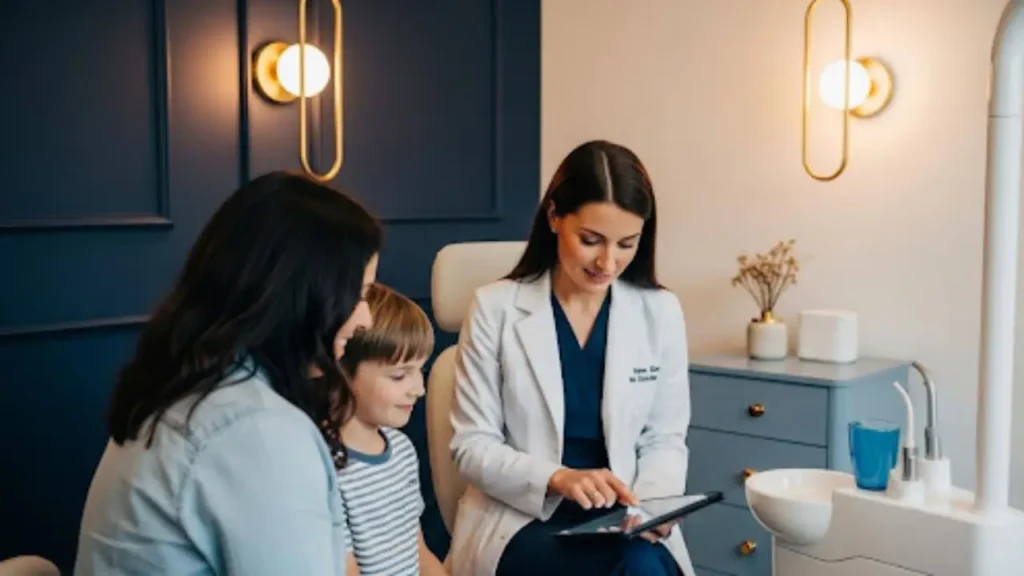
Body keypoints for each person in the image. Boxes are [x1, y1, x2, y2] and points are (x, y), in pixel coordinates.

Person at [74, 171, 381, 575]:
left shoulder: (188, 386)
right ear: (298, 295)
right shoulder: (256, 431)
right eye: (357, 295)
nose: (366, 320)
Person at [446, 140, 696, 576]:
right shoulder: (495, 308)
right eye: (591, 240)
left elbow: (664, 439)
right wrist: (558, 477)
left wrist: (652, 507)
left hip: (624, 521)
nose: (608, 261)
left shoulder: (660, 312)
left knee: (639, 561)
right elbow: (472, 445)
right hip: (526, 519)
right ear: (554, 217)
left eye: (627, 244)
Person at [319, 283, 447, 576]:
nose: (419, 389)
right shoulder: (324, 466)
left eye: (421, 372)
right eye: (400, 376)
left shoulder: (401, 449)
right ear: (341, 372)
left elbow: (420, 553)